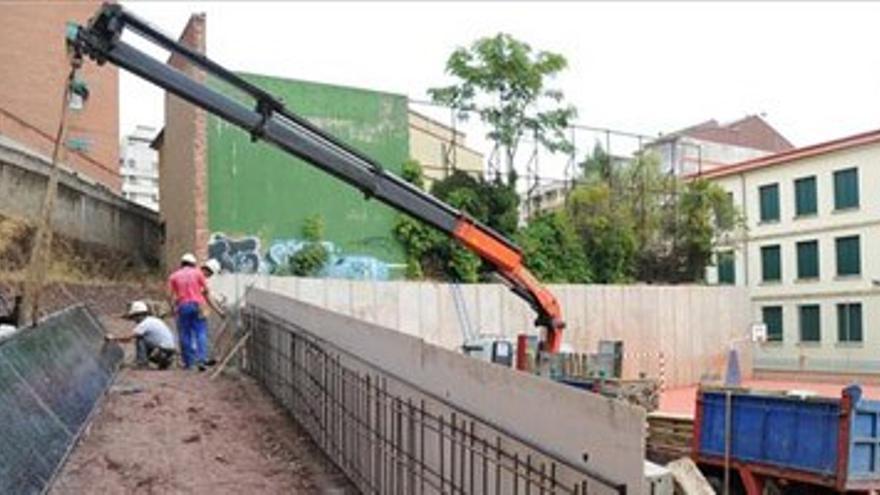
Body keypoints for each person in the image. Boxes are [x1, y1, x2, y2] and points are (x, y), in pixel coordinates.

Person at [168, 253, 223, 371]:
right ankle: (202, 360)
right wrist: (219, 311)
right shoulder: (198, 274)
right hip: (199, 306)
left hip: (183, 306)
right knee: (201, 332)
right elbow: (207, 293)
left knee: (185, 334)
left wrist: (173, 308)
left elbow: (171, 296)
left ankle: (189, 362)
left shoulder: (174, 276)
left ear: (181, 263)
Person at [106, 301, 177, 370]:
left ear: (138, 315)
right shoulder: (153, 320)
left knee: (140, 339)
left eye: (133, 317)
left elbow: (128, 338)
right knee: (146, 338)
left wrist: (113, 338)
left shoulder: (144, 324)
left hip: (162, 352)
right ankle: (163, 361)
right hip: (169, 351)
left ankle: (142, 363)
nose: (134, 320)